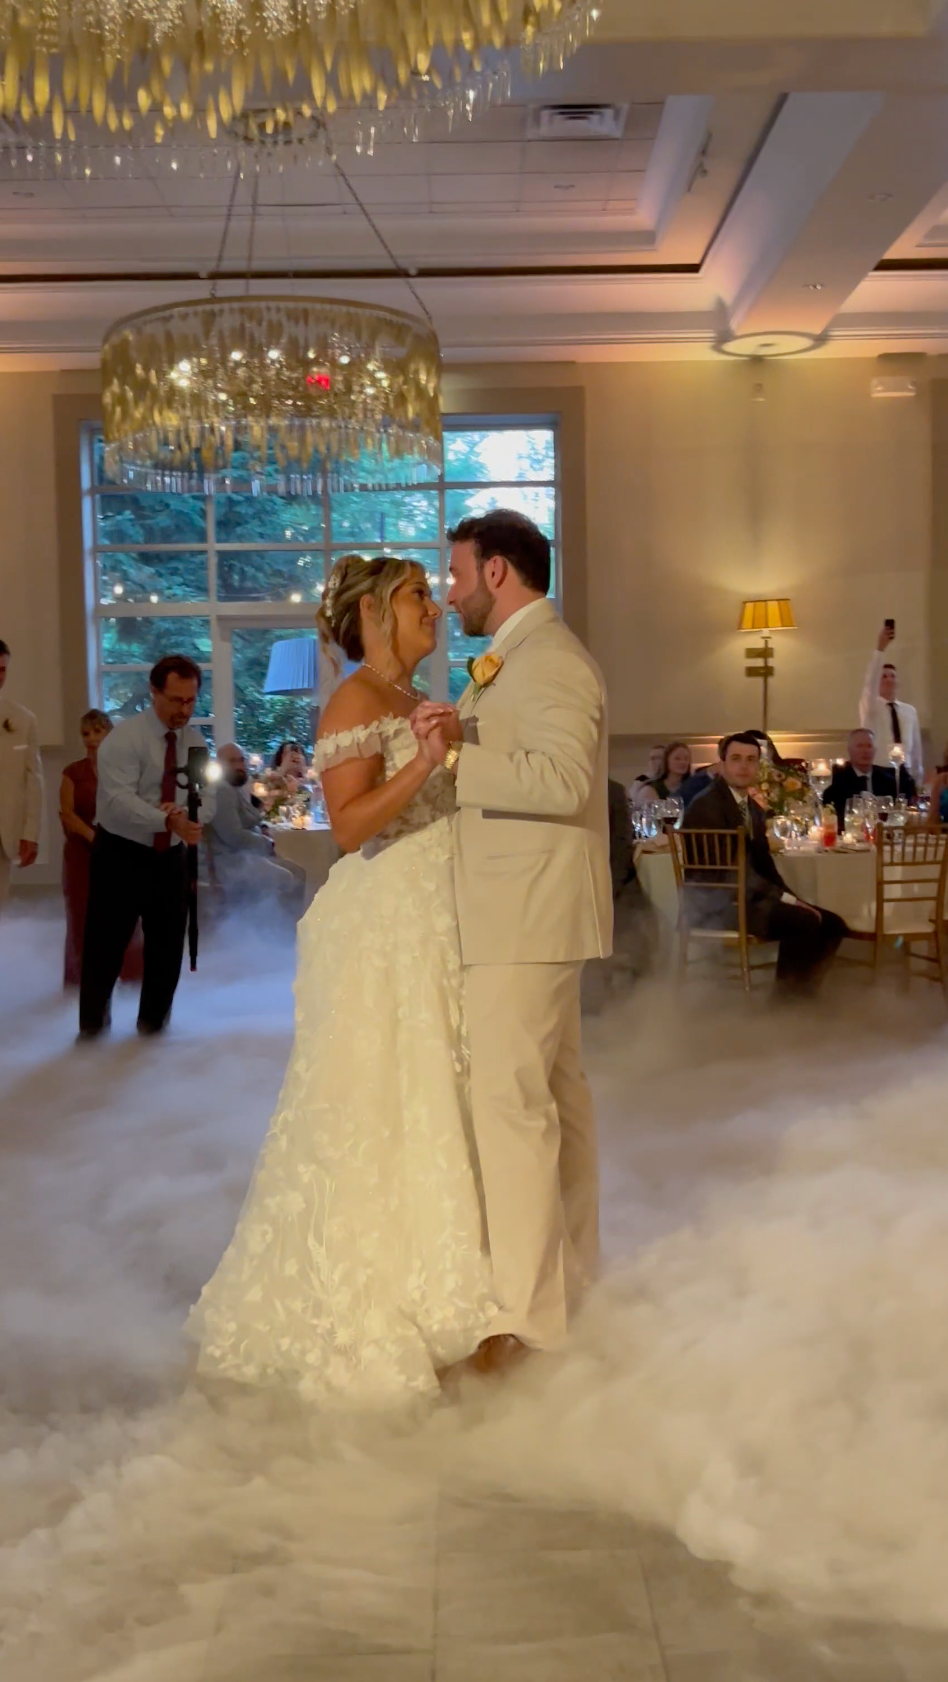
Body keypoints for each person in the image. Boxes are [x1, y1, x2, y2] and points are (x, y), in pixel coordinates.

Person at [188, 555, 494, 1407]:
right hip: (386, 920)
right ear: (373, 615)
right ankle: (385, 1294)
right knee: (384, 1098)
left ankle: (448, 1284)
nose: (435, 606)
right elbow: (353, 828)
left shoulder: (411, 697)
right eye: (418, 596)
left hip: (436, 913)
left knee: (436, 1091)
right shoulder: (355, 700)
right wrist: (425, 763)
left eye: (431, 593)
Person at [412, 508, 612, 1377]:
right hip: (524, 909)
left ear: (497, 571)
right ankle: (570, 1284)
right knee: (555, 1105)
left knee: (513, 1109)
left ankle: (527, 1322)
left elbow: (563, 782)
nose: (450, 593)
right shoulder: (518, 658)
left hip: (524, 914)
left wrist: (457, 757)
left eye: (457, 575)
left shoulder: (552, 659)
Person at [78, 655, 214, 1042]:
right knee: (106, 944)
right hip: (121, 853)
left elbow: (208, 797)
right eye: (175, 700)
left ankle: (152, 1029)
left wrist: (189, 817)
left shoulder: (194, 742)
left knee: (167, 946)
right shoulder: (124, 739)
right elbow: (118, 800)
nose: (183, 710)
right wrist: (164, 819)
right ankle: (92, 1029)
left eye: (190, 701)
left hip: (170, 856)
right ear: (153, 692)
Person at [681, 731, 847, 997]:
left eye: (751, 760)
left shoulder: (751, 806)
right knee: (802, 922)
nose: (744, 766)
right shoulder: (707, 806)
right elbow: (732, 872)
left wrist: (793, 898)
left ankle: (804, 997)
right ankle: (784, 1003)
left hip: (748, 896)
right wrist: (788, 902)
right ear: (722, 764)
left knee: (833, 924)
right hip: (717, 903)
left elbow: (764, 865)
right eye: (736, 759)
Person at [60, 709, 143, 988]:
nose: (92, 738)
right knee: (83, 916)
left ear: (110, 733)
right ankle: (85, 983)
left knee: (125, 914)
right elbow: (67, 814)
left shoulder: (126, 771)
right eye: (86, 733)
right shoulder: (73, 772)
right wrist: (95, 839)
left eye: (98, 731)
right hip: (82, 855)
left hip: (120, 851)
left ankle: (131, 980)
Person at [207, 742, 303, 910]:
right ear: (219, 764)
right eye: (232, 761)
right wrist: (267, 843)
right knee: (287, 877)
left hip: (248, 856)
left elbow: (252, 818)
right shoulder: (222, 791)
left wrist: (263, 827)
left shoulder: (234, 788)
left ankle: (291, 921)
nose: (239, 766)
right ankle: (279, 923)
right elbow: (234, 837)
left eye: (241, 760)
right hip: (232, 863)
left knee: (298, 872)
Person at [0, 638, 43, 910]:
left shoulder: (23, 720)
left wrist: (31, 833)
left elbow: (33, 781)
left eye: (2, 669)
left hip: (3, 832)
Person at [859, 623, 923, 783]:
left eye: (892, 676)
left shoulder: (909, 711)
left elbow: (916, 749)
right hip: (879, 772)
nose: (889, 679)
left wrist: (918, 778)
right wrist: (880, 650)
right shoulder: (871, 707)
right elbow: (870, 684)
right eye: (884, 676)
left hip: (906, 772)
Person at [823, 727, 916, 827]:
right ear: (849, 750)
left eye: (869, 746)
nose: (865, 751)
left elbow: (907, 799)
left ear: (875, 750)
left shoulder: (889, 778)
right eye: (859, 746)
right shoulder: (837, 780)